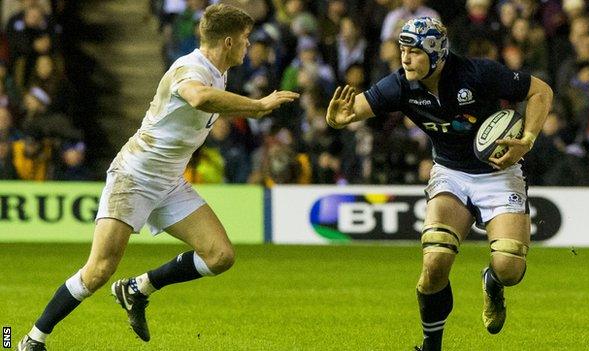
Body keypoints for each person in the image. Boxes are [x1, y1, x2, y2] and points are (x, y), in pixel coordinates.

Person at [18, 4, 299, 351]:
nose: (248, 45)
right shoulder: (190, 68)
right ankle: (32, 339)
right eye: (244, 39)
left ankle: (137, 289)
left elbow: (213, 102)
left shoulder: (218, 73)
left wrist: (256, 108)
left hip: (168, 182)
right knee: (98, 271)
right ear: (228, 42)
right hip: (133, 176)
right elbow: (198, 98)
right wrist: (257, 106)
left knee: (220, 256)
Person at [325, 17, 553, 351]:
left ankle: (492, 282)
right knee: (434, 262)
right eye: (403, 50)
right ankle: (431, 346)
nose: (405, 59)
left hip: (498, 173)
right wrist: (337, 118)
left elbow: (540, 91)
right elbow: (352, 111)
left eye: (414, 52)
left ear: (437, 54)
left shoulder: (477, 73)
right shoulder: (400, 84)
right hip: (450, 173)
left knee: (509, 269)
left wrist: (529, 137)